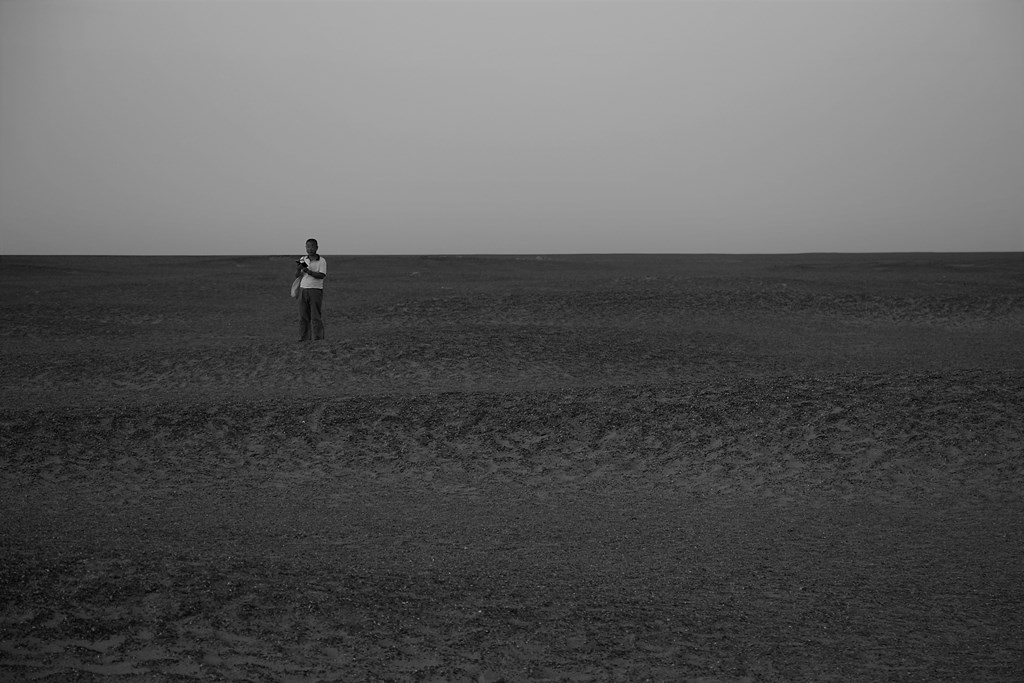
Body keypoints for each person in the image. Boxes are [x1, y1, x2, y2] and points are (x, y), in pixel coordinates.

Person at [295, 238, 327, 341]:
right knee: (303, 316)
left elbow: (321, 275)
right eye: (308, 246)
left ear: (317, 247)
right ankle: (304, 338)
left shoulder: (322, 260)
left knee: (316, 316)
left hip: (316, 290)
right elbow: (297, 275)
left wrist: (308, 272)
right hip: (303, 289)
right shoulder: (303, 259)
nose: (310, 249)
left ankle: (318, 338)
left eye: (312, 246)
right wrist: (298, 269)